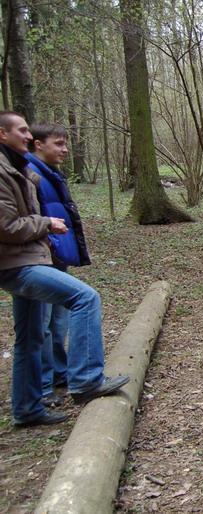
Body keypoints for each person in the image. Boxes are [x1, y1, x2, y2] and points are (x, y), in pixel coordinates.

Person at [0, 111, 129, 427]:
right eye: (22, 131)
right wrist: (45, 224)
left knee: (30, 337)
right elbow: (5, 226)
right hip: (17, 263)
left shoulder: (18, 169)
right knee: (85, 299)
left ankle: (27, 408)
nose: (28, 137)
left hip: (29, 258)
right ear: (3, 135)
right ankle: (85, 380)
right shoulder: (5, 173)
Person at [24, 124, 91, 408]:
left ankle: (59, 372)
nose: (64, 149)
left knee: (58, 320)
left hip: (57, 256)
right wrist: (49, 245)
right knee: (41, 324)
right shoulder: (30, 173)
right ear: (38, 144)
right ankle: (42, 385)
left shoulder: (51, 173)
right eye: (58, 144)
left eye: (65, 144)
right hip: (40, 258)